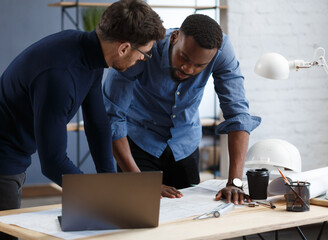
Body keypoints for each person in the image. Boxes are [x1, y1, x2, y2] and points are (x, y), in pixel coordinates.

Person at [0, 0, 165, 239]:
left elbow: (98, 124)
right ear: (123, 48)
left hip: (11, 153)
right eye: (144, 53)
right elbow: (52, 162)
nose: (143, 59)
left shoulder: (89, 53)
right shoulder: (61, 75)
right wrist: (101, 199)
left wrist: (112, 185)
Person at [103, 14, 261, 203]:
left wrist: (235, 182)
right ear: (174, 37)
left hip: (184, 144)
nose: (188, 69)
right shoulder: (144, 47)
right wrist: (140, 182)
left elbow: (238, 115)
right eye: (183, 57)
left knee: (188, 217)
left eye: (199, 66)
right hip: (139, 142)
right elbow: (112, 115)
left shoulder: (221, 51)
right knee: (139, 212)